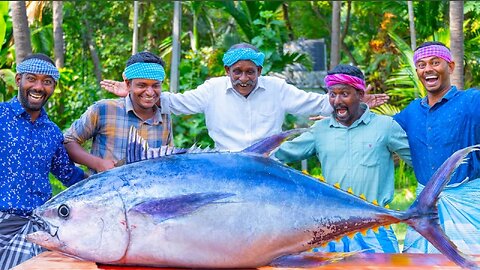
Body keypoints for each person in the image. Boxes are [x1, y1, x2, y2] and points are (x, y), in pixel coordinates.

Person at [101, 43, 389, 152]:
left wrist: (354, 102)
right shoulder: (213, 88)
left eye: (250, 72)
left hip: (267, 166)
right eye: (237, 72)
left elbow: (316, 103)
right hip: (225, 166)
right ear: (227, 70)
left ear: (260, 71)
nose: (243, 78)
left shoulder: (277, 88)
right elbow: (176, 102)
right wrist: (135, 92)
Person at [274, 64, 411, 253]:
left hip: (375, 227)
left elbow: (419, 161)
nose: (337, 100)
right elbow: (278, 155)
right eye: (332, 94)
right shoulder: (319, 131)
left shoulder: (385, 126)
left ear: (360, 95)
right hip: (331, 229)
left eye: (344, 94)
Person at [0, 53, 88, 268]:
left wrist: (104, 182)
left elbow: (68, 174)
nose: (39, 87)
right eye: (32, 79)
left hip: (39, 224)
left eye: (47, 82)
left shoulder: (51, 132)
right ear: (19, 80)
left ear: (53, 87)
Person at [393, 41, 480, 254]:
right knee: (418, 265)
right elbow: (378, 132)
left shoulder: (473, 100)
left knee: (467, 262)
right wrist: (352, 114)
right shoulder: (411, 111)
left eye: (435, 62)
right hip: (425, 211)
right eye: (421, 65)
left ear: (450, 67)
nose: (428, 69)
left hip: (467, 207)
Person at [64, 51, 173, 173]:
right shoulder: (104, 109)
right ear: (128, 84)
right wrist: (97, 163)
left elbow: (168, 158)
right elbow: (68, 141)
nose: (150, 92)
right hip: (106, 190)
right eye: (142, 85)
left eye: (155, 86)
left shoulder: (164, 117)